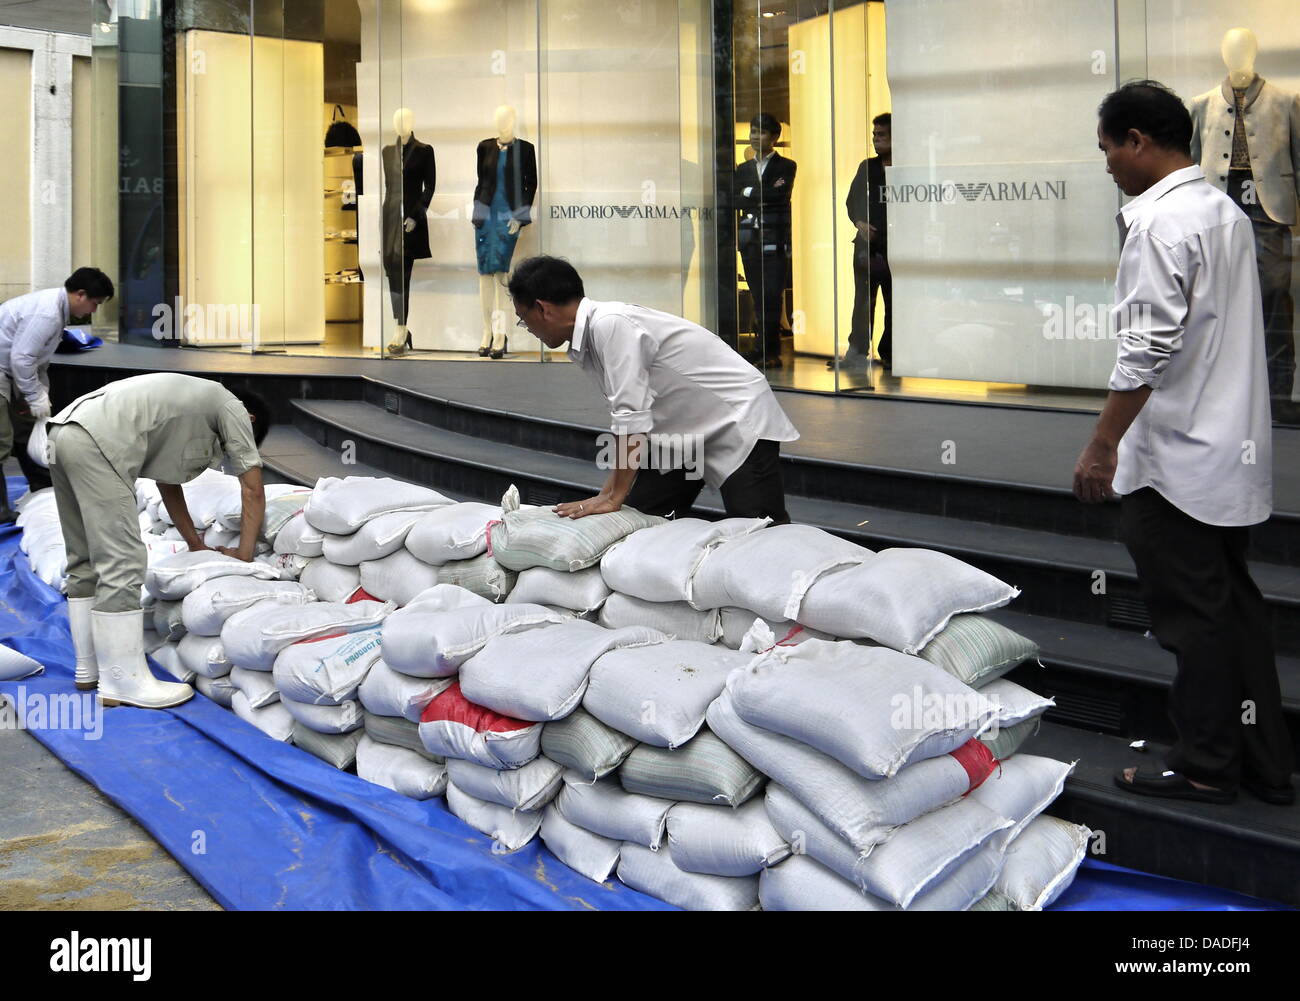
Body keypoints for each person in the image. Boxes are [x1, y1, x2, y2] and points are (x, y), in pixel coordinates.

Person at [1074, 80, 1293, 805]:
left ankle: (1204, 765)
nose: (1106, 163)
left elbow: (1144, 353)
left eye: (1108, 148)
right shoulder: (1223, 212)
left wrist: (1103, 446)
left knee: (1192, 622)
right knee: (1235, 612)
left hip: (1175, 465)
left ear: (1138, 141)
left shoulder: (1161, 225)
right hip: (1227, 457)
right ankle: (1264, 764)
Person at [508, 255, 799, 522]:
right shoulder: (591, 337)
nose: (527, 327)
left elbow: (631, 418)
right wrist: (608, 496)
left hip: (736, 418)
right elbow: (630, 423)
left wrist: (613, 497)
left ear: (542, 309)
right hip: (681, 433)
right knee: (642, 516)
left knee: (759, 528)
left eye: (523, 318)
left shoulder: (611, 325)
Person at [47, 373, 271, 709]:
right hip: (98, 442)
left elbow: (168, 483)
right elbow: (252, 488)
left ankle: (88, 669)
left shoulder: (190, 403)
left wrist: (195, 543)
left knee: (84, 557)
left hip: (62, 433)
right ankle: (123, 682)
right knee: (122, 560)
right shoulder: (231, 407)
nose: (229, 453)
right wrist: (245, 554)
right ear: (249, 420)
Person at [0, 267, 114, 522]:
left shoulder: (59, 311)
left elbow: (38, 361)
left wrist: (42, 392)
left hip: (12, 370)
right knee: (2, 440)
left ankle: (43, 489)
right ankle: (0, 510)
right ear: (80, 295)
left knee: (28, 428)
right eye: (94, 304)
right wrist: (34, 395)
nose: (93, 311)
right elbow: (22, 359)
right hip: (5, 368)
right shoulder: (47, 314)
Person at [735, 113, 796, 369]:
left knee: (772, 296)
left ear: (774, 137)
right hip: (750, 240)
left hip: (775, 239)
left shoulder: (786, 166)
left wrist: (750, 192)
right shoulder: (743, 168)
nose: (754, 136)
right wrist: (754, 194)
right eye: (753, 131)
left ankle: (771, 351)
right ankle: (761, 350)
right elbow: (736, 199)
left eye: (760, 132)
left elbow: (778, 195)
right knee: (758, 297)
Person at [833, 113, 892, 372]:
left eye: (882, 136)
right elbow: (852, 201)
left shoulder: (909, 168)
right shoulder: (867, 167)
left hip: (897, 247)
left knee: (895, 302)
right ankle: (856, 352)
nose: (876, 141)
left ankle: (890, 353)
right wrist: (859, 222)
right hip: (866, 246)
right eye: (874, 136)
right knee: (862, 302)